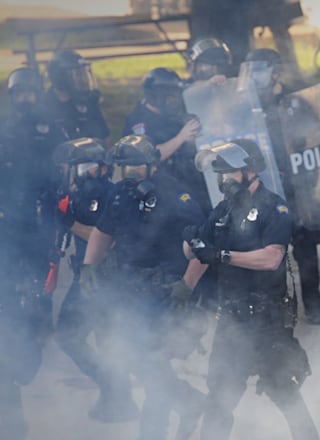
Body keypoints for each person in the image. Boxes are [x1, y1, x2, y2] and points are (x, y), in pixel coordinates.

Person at [185, 139, 319, 440]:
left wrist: (222, 256)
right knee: (219, 399)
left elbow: (272, 258)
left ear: (250, 171)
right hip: (231, 323)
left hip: (266, 323)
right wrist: (190, 245)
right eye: (220, 175)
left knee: (286, 396)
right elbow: (196, 254)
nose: (224, 182)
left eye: (229, 174)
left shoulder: (275, 207)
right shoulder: (222, 210)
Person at [80, 135, 207, 440]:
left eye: (137, 166)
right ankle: (188, 401)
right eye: (125, 168)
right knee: (131, 355)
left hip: (166, 292)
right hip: (129, 292)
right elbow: (102, 231)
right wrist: (88, 267)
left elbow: (205, 247)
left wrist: (186, 288)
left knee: (151, 360)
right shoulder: (119, 195)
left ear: (152, 165)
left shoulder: (177, 197)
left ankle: (156, 429)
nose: (131, 173)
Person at [238, 48, 320, 324]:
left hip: (297, 188)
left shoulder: (294, 102)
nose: (254, 78)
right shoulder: (246, 105)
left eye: (259, 71)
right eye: (250, 71)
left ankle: (313, 306)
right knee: (268, 251)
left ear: (274, 72)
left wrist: (299, 144)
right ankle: (274, 307)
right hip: (263, 190)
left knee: (305, 250)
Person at [51, 138, 138, 422]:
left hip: (107, 279)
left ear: (101, 169)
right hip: (87, 276)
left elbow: (107, 240)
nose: (77, 172)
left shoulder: (112, 195)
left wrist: (69, 223)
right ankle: (115, 392)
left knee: (107, 342)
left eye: (83, 167)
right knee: (71, 336)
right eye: (74, 167)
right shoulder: (78, 194)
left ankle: (121, 400)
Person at [1, 67, 68, 340]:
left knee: (44, 264)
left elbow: (66, 158)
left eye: (30, 93)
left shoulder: (50, 125)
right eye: (20, 93)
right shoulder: (3, 126)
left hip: (44, 209)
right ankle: (10, 321)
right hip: (9, 210)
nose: (25, 98)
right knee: (8, 263)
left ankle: (41, 320)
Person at [122, 67, 210, 213]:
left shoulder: (174, 110)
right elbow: (146, 156)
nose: (173, 99)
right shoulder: (137, 121)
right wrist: (181, 137)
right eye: (169, 96)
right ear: (156, 95)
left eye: (175, 95)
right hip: (161, 188)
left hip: (191, 179)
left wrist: (211, 83)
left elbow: (193, 90)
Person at [41, 50, 111, 146]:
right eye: (78, 75)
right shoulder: (44, 107)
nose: (83, 79)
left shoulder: (88, 101)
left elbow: (105, 139)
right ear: (60, 77)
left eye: (84, 73)